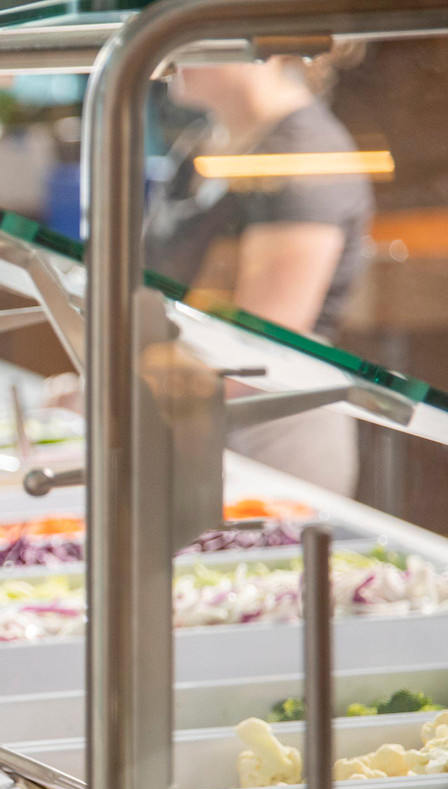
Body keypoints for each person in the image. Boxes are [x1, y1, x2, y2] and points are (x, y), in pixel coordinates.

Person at [146, 56, 374, 492]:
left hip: (269, 442)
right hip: (186, 427)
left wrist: (118, 396)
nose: (173, 50)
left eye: (199, 29)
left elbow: (250, 356)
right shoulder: (206, 138)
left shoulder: (305, 153)